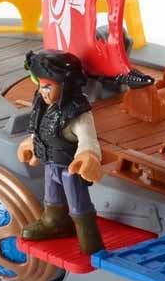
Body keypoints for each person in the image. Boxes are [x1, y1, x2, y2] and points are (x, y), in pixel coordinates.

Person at [17, 50, 105, 254]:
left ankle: (89, 238)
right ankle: (54, 222)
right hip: (51, 164)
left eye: (48, 86)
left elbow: (88, 139)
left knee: (79, 205)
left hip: (70, 168)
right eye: (40, 85)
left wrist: (87, 156)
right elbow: (41, 131)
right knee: (52, 198)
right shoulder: (43, 108)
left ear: (66, 86)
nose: (42, 91)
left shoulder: (77, 114)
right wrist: (30, 145)